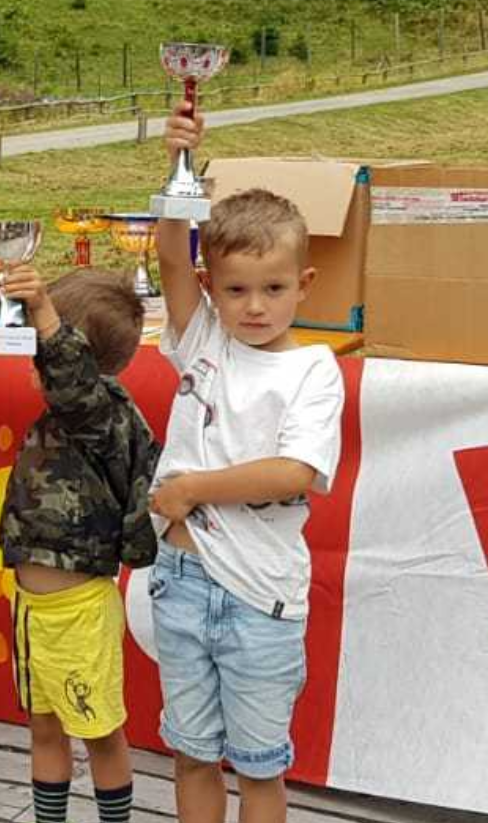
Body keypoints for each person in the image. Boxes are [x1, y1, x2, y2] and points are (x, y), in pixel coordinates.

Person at [150, 103, 344, 823]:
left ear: (306, 282)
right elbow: (172, 254)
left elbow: (295, 472)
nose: (254, 307)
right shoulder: (201, 339)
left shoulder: (314, 372)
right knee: (192, 753)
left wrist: (191, 488)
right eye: (235, 290)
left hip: (261, 597)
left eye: (273, 289)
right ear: (210, 289)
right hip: (181, 579)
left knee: (260, 767)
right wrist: (177, 164)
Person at [0, 265, 159, 823]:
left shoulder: (101, 415)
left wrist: (45, 311)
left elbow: (71, 379)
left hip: (79, 613)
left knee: (99, 732)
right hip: (32, 611)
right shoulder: (72, 413)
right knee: (44, 727)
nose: (37, 367)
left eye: (44, 351)